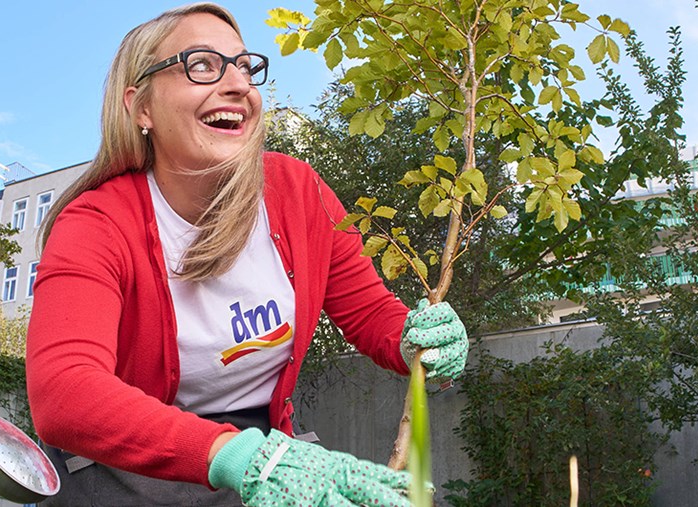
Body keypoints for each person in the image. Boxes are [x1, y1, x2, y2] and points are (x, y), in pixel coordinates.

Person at [25, 3, 469, 506]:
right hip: (123, 462)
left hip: (263, 446)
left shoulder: (300, 192)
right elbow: (65, 394)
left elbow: (369, 313)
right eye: (202, 64)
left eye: (244, 66)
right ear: (140, 106)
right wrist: (237, 456)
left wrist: (415, 340)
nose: (238, 84)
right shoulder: (97, 223)